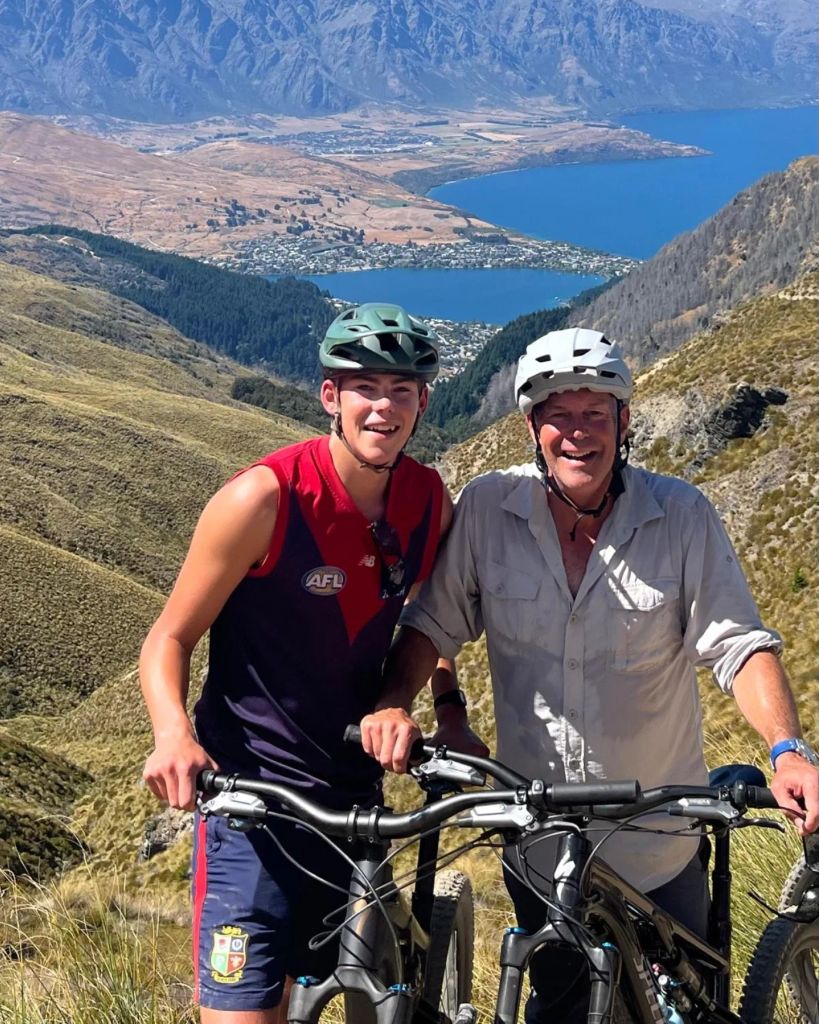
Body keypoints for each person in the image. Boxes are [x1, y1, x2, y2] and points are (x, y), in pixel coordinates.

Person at [364, 327, 819, 1022]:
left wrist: (786, 750)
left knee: (682, 1011)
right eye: (556, 415)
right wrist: (399, 701)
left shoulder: (680, 517)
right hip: (541, 846)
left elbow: (739, 647)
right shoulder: (489, 509)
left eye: (593, 414)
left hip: (658, 847)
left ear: (623, 423)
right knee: (559, 1004)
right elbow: (432, 624)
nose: (576, 433)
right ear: (530, 427)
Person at [140, 302, 483, 1024]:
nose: (382, 407)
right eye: (365, 388)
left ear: (423, 402)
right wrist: (173, 734)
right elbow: (169, 637)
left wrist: (446, 709)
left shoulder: (426, 499)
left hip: (353, 802)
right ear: (330, 396)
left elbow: (435, 616)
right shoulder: (262, 499)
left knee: (332, 996)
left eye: (401, 390)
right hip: (250, 804)